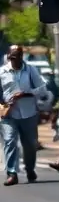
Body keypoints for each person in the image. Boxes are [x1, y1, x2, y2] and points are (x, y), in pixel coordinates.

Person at [0, 44, 47, 186]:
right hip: (8, 114)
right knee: (10, 141)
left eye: (19, 55)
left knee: (30, 145)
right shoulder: (2, 72)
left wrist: (26, 94)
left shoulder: (30, 70)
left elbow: (42, 90)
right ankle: (12, 173)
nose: (17, 59)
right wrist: (3, 104)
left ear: (22, 56)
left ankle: (30, 169)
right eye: (14, 56)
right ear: (9, 57)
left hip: (29, 113)